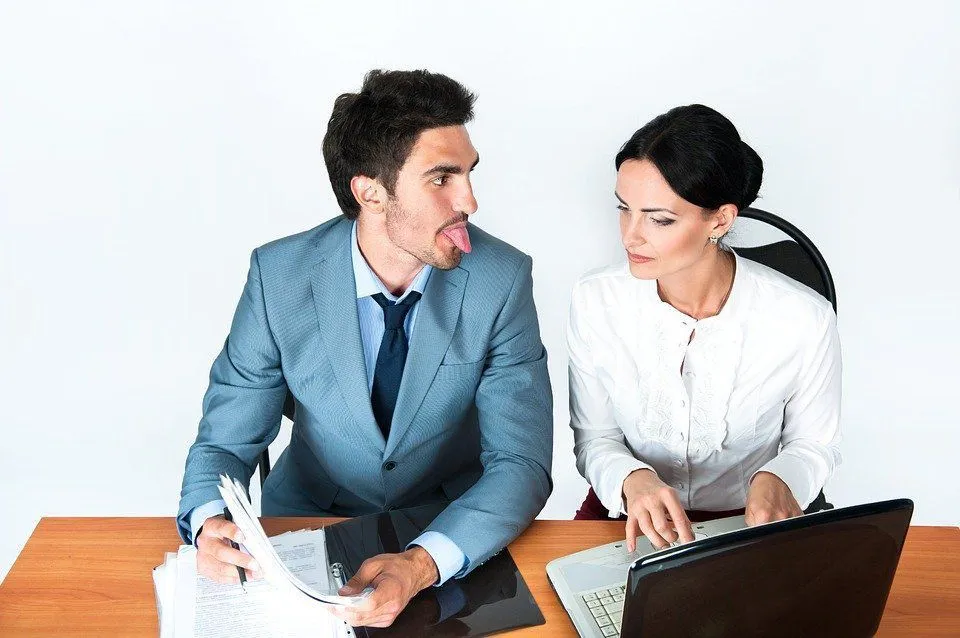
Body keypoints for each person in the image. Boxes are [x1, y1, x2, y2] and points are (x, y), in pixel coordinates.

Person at [177, 69, 553, 628]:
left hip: (450, 524)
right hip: (308, 521)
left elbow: (520, 462)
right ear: (370, 191)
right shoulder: (278, 276)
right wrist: (209, 524)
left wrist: (422, 563)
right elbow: (226, 441)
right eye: (442, 178)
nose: (470, 201)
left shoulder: (501, 278)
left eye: (469, 173)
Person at [567, 104, 841, 553]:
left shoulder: (803, 318)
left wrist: (778, 478)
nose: (631, 236)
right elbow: (596, 438)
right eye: (624, 209)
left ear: (720, 220)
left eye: (659, 219)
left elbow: (814, 443)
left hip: (749, 521)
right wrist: (632, 478)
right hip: (629, 513)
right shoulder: (596, 300)